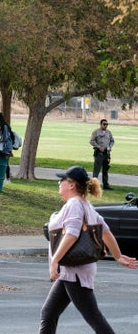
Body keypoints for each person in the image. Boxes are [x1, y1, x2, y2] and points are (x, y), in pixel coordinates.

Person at [39, 165, 138, 334]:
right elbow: (105, 232)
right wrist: (118, 256)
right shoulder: (85, 205)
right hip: (71, 271)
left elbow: (71, 233)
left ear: (71, 185)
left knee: (93, 317)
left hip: (75, 272)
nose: (59, 182)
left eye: (62, 179)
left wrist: (54, 260)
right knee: (48, 314)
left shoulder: (75, 204)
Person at [89, 119, 114, 191]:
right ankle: (93, 186)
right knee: (96, 170)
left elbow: (112, 141)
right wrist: (98, 147)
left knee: (105, 170)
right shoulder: (96, 132)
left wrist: (109, 147)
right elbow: (91, 141)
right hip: (99, 154)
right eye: (104, 124)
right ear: (100, 124)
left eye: (107, 124)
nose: (105, 125)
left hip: (107, 153)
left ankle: (106, 184)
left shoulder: (109, 132)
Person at [0, 112, 13, 183]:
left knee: (5, 162)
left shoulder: (4, 126)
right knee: (1, 162)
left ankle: (8, 178)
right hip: (1, 146)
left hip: (6, 147)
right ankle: (2, 176)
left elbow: (5, 137)